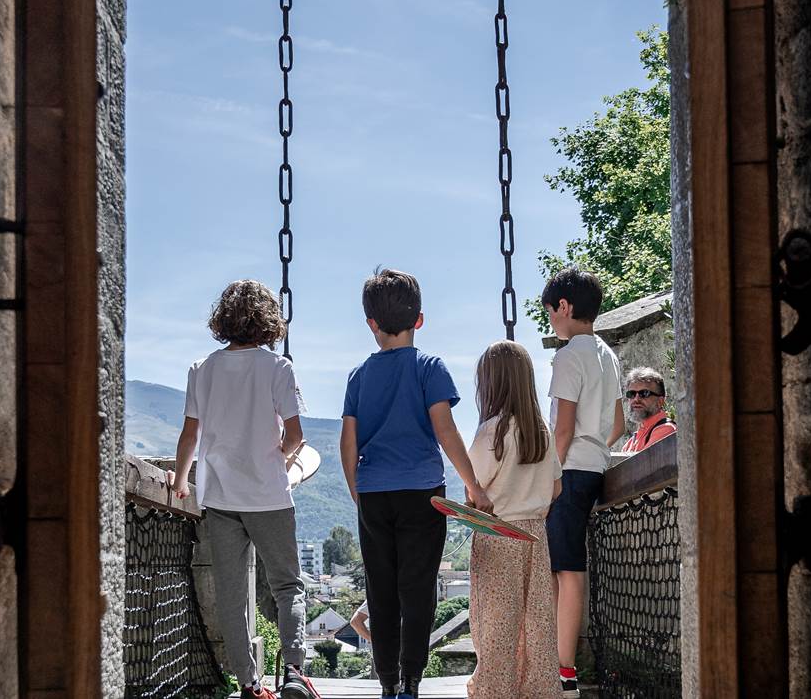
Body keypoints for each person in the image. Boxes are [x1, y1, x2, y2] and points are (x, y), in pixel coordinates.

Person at [341, 268, 492, 699]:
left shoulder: (358, 376)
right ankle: (411, 681)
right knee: (418, 588)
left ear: (371, 323)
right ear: (419, 320)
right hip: (422, 493)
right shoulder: (429, 367)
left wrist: (359, 493)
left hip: (374, 493)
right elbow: (446, 431)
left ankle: (387, 683)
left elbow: (347, 444)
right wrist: (474, 486)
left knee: (381, 590)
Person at [168, 280, 319, 699]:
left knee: (232, 597)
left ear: (223, 319)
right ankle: (293, 673)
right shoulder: (278, 367)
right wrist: (282, 456)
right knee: (288, 585)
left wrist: (180, 482)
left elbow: (189, 435)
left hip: (219, 497)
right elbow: (295, 435)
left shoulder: (202, 369)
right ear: (268, 319)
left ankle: (249, 685)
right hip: (268, 494)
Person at [541, 268, 623, 697]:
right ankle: (557, 665)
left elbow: (563, 427)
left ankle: (563, 671)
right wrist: (597, 450)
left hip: (569, 469)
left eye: (551, 311)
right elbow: (620, 422)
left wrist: (550, 475)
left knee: (567, 571)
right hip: (594, 465)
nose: (551, 320)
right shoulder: (608, 355)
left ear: (565, 307)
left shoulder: (569, 354)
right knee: (563, 567)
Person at [466, 340, 564, 699]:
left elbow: (475, 487)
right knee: (537, 621)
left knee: (496, 623)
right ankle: (539, 690)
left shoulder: (492, 430)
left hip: (497, 534)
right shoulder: (542, 429)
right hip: (535, 535)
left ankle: (494, 690)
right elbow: (556, 488)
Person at [621, 367, 676, 453]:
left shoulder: (666, 431)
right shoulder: (631, 442)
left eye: (644, 393)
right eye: (631, 394)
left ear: (660, 401)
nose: (636, 399)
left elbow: (642, 465)